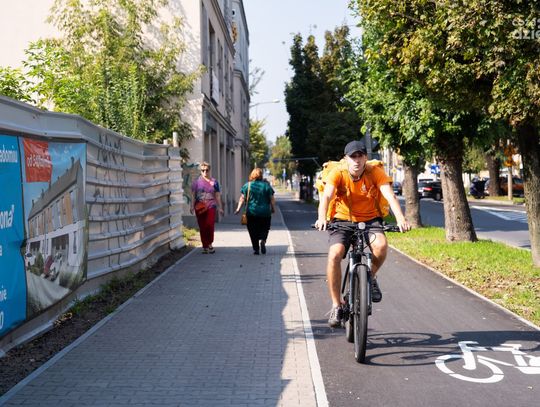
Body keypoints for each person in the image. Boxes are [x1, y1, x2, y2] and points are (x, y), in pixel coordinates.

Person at [314, 140, 411, 328]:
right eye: (353, 157)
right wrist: (321, 218)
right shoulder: (338, 173)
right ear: (346, 159)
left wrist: (400, 218)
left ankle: (370, 276)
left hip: (370, 219)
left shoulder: (374, 172)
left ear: (366, 158)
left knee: (381, 246)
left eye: (360, 156)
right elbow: (326, 196)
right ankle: (336, 305)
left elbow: (389, 195)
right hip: (342, 220)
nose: (357, 160)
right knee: (334, 255)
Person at [235, 168, 276, 255]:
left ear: (252, 175)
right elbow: (272, 198)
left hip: (251, 212)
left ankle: (256, 249)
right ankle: (263, 240)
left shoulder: (247, 185)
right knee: (265, 228)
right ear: (261, 175)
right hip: (265, 212)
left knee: (252, 230)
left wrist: (238, 209)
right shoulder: (266, 186)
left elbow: (242, 198)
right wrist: (273, 208)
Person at [191, 162, 224, 254]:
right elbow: (193, 195)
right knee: (202, 226)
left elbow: (217, 195)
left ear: (209, 170)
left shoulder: (214, 182)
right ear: (200, 171)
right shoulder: (196, 182)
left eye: (207, 170)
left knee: (210, 225)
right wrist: (191, 206)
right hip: (199, 206)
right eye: (203, 170)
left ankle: (210, 243)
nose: (205, 172)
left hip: (211, 206)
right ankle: (205, 246)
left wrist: (220, 207)